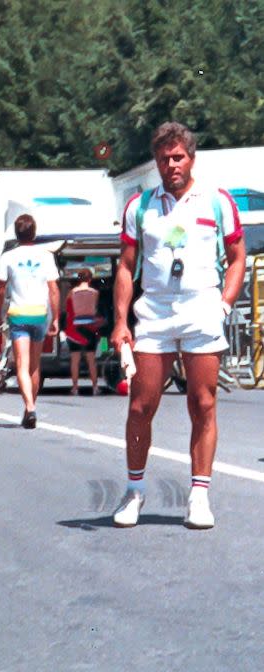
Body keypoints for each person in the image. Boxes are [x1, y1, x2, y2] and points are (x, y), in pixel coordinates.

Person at [110, 122, 246, 530]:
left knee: (202, 403)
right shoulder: (140, 206)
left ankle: (199, 496)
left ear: (191, 158)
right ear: (155, 162)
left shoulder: (217, 202)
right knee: (140, 406)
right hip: (155, 311)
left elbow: (237, 257)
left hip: (202, 308)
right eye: (164, 158)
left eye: (178, 157)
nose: (171, 165)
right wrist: (121, 320)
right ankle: (134, 490)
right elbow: (126, 266)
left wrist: (223, 305)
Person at [0, 214, 60, 429]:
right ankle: (31, 406)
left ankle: (29, 407)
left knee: (21, 364)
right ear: (34, 232)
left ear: (16, 233)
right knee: (34, 364)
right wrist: (56, 317)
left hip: (18, 313)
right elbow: (54, 290)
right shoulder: (46, 256)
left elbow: (1, 289)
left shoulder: (8, 257)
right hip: (39, 313)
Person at [64, 268, 103, 395]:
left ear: (78, 278)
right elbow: (95, 308)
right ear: (90, 279)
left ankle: (75, 387)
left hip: (76, 325)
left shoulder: (72, 292)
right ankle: (95, 387)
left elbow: (68, 308)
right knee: (91, 358)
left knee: (75, 358)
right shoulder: (94, 293)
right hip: (90, 326)